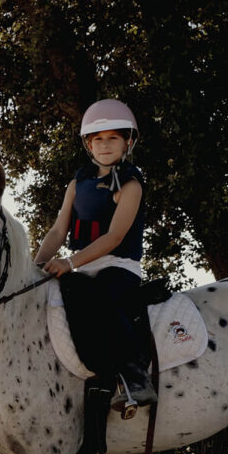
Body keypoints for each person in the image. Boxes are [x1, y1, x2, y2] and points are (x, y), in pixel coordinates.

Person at [34, 99, 157, 412]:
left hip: (119, 267)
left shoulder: (130, 184)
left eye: (113, 138)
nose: (104, 145)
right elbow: (58, 232)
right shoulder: (77, 184)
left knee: (103, 297)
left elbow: (114, 237)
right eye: (97, 139)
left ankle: (134, 378)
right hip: (82, 268)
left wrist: (69, 262)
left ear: (128, 142)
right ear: (88, 144)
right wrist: (34, 267)